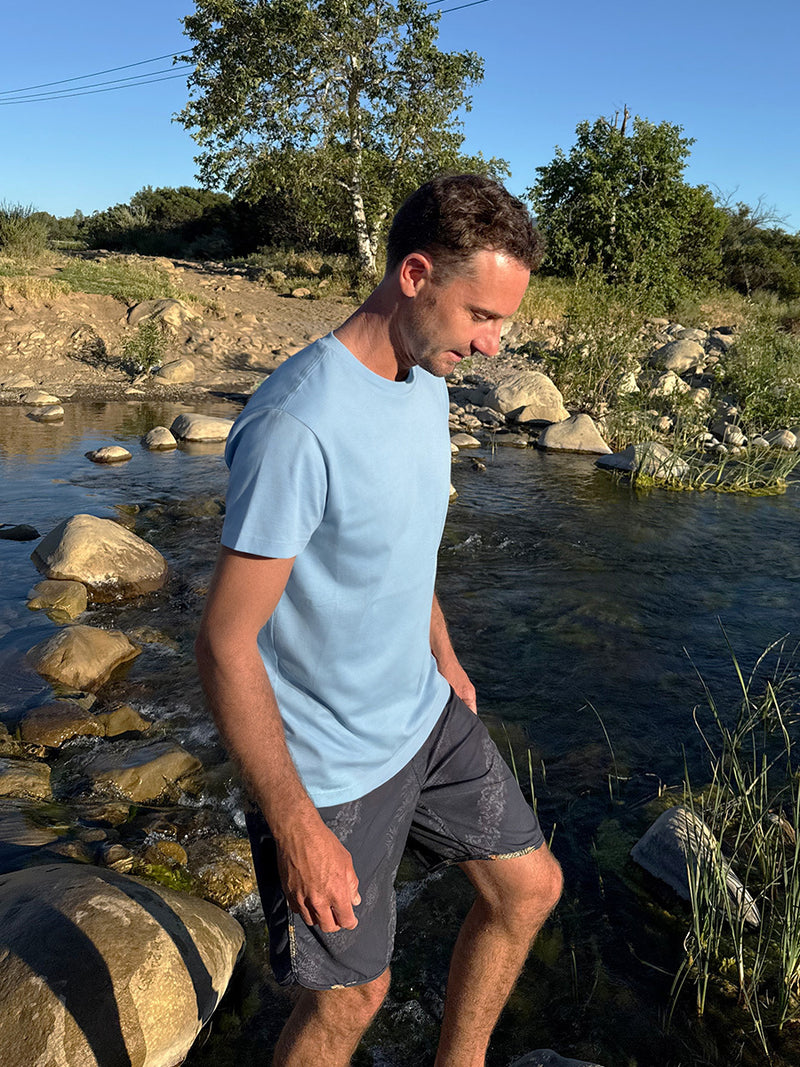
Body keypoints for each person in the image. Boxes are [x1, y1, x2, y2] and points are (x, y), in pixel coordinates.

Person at [195, 174, 563, 1067]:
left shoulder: (425, 375)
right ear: (415, 275)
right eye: (482, 315)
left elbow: (402, 542)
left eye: (503, 322)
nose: (492, 343)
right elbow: (224, 643)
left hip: (423, 715)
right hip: (328, 769)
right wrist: (297, 826)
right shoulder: (297, 425)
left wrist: (445, 652)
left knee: (528, 890)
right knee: (351, 1001)